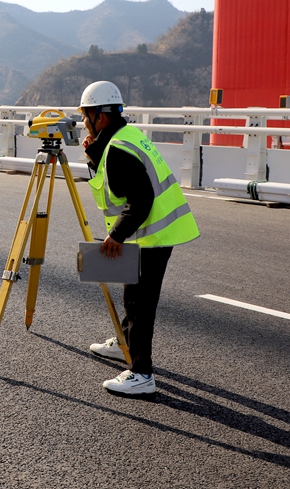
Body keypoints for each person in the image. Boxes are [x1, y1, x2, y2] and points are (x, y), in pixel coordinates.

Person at [78, 80, 199, 396]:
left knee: (139, 302)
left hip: (152, 236)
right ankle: (124, 343)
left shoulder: (118, 149)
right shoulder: (125, 137)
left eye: (86, 114)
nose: (83, 121)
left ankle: (141, 374)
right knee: (134, 297)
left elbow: (140, 198)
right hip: (155, 233)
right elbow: (117, 180)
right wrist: (94, 153)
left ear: (100, 117)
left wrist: (116, 235)